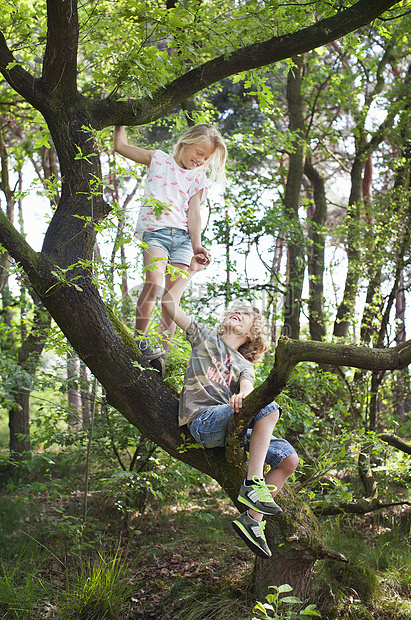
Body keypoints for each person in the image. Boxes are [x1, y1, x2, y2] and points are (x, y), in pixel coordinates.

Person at [161, 255, 299, 559]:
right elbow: (169, 304)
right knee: (269, 408)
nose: (238, 312)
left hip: (228, 424)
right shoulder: (205, 337)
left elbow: (249, 387)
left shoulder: (243, 365)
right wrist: (192, 270)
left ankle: (252, 521)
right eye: (235, 309)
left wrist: (244, 396)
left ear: (251, 333)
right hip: (203, 421)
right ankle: (253, 483)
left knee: (289, 458)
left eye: (246, 313)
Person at [113, 124, 227, 375]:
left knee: (170, 300)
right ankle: (140, 339)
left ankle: (160, 358)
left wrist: (197, 245)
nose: (200, 160)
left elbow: (194, 213)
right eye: (198, 152)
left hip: (184, 240)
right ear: (185, 143)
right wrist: (120, 122)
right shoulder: (158, 159)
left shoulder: (198, 178)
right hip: (156, 233)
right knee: (154, 282)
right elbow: (120, 147)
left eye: (206, 158)